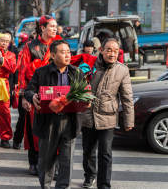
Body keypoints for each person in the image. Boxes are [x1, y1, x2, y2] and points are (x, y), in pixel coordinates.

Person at [24, 40, 84, 189]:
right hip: (48, 121)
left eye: (69, 52)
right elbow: (28, 90)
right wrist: (33, 97)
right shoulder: (41, 72)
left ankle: (63, 186)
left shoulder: (76, 73)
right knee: (46, 159)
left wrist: (86, 100)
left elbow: (85, 91)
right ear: (52, 54)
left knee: (67, 160)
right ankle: (45, 185)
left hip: (69, 121)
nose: (67, 55)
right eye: (63, 52)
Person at [81, 38, 134, 189]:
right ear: (101, 50)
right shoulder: (90, 66)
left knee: (105, 153)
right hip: (88, 115)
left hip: (108, 116)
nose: (112, 54)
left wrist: (129, 121)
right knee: (88, 150)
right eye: (109, 50)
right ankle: (90, 175)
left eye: (115, 51)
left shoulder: (122, 70)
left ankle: (104, 185)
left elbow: (127, 97)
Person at [13, 15, 60, 175]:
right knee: (33, 129)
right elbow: (23, 71)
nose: (55, 29)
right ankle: (33, 161)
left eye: (55, 26)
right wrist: (25, 96)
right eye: (52, 26)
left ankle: (54, 163)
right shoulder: (31, 46)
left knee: (54, 129)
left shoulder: (59, 45)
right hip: (35, 93)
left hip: (56, 93)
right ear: (42, 28)